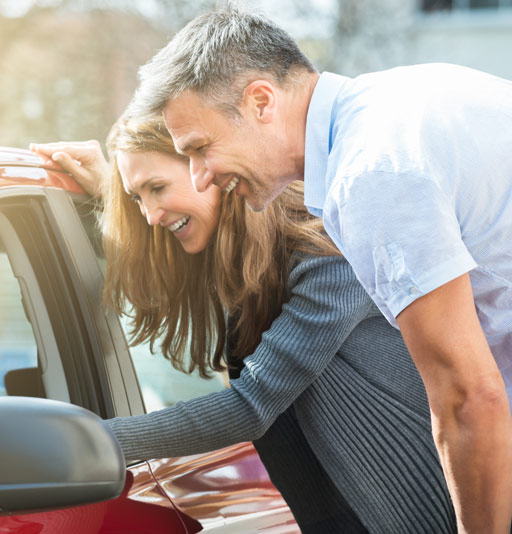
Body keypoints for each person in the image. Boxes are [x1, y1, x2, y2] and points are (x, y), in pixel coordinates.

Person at [128, 9, 512, 532]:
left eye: (200, 148)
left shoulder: (371, 174)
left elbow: (468, 395)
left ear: (260, 101)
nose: (201, 176)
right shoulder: (396, 105)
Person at [31, 113, 456, 533]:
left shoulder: (327, 257)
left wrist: (74, 442)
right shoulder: (242, 263)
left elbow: (251, 406)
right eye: (136, 199)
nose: (149, 215)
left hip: (429, 515)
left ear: (208, 170)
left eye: (156, 188)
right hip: (342, 513)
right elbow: (154, 257)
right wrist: (111, 194)